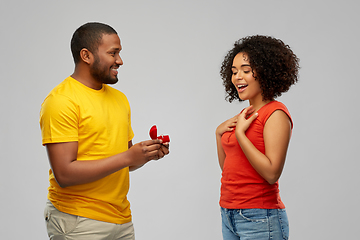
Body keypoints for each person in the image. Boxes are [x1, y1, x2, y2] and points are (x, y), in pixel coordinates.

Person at [39, 22, 169, 240]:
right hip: (78, 221)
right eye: (113, 53)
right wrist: (128, 156)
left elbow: (124, 161)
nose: (120, 60)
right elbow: (64, 174)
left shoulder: (120, 99)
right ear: (86, 55)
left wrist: (145, 154)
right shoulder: (61, 101)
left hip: (121, 219)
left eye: (119, 53)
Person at [216, 35, 299, 240]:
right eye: (234, 72)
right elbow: (228, 169)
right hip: (229, 213)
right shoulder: (243, 117)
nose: (237, 77)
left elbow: (272, 173)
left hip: (260, 217)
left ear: (266, 71)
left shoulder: (276, 114)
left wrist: (240, 135)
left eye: (245, 70)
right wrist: (218, 134)